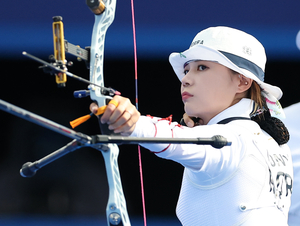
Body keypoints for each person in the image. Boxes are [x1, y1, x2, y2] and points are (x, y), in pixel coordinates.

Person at [90, 26, 293, 225]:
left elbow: (177, 140)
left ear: (242, 82)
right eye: (187, 70)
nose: (185, 79)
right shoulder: (272, 143)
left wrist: (133, 124)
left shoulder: (231, 140)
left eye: (202, 67)